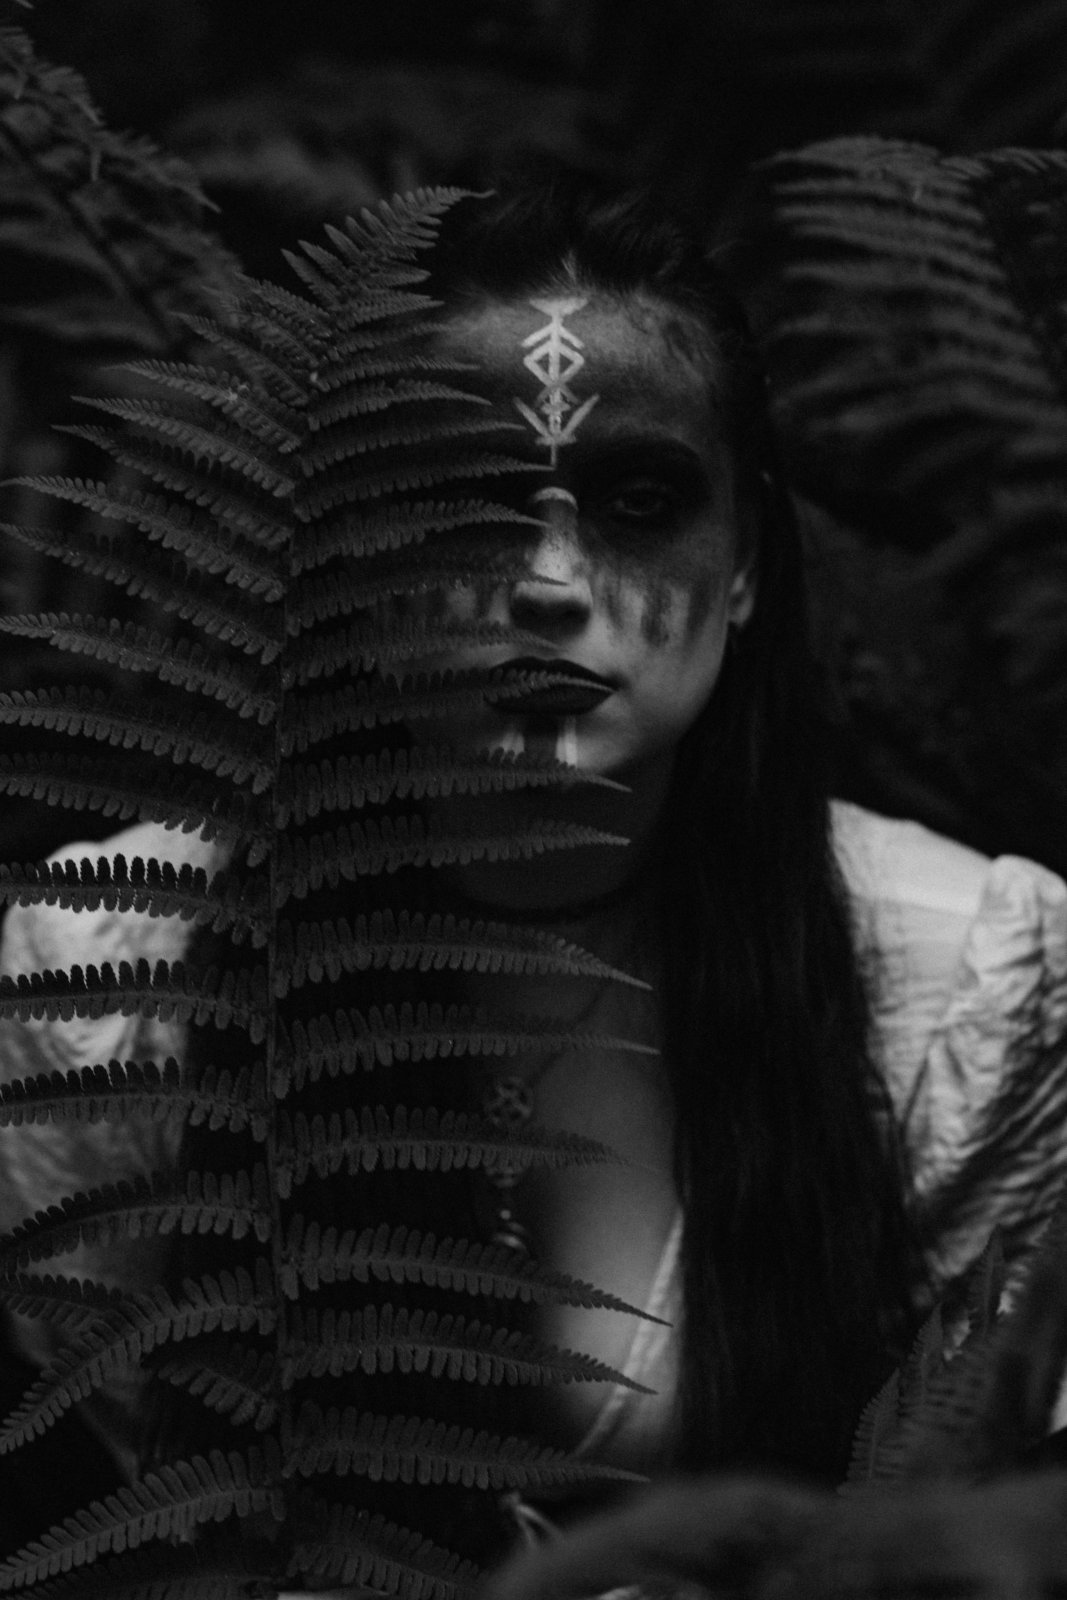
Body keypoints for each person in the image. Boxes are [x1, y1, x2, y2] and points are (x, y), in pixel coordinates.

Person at [1, 175, 1066, 1558]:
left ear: (747, 557)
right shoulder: (109, 988)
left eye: (639, 501)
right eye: (465, 502)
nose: (550, 582)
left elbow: (981, 1524)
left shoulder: (963, 987)